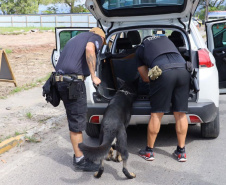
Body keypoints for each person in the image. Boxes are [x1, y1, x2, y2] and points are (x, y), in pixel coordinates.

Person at [55, 27, 105, 171]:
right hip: (73, 83)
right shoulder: (95, 38)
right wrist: (94, 75)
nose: (100, 47)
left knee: (74, 119)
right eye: (101, 45)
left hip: (61, 81)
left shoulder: (74, 39)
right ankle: (80, 160)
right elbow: (90, 49)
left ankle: (80, 155)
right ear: (101, 38)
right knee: (76, 123)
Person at [136, 35, 190, 162]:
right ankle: (181, 152)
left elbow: (145, 77)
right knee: (181, 113)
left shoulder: (141, 48)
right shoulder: (167, 40)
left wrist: (160, 84)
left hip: (163, 72)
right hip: (184, 70)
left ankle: (149, 151)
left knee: (157, 114)